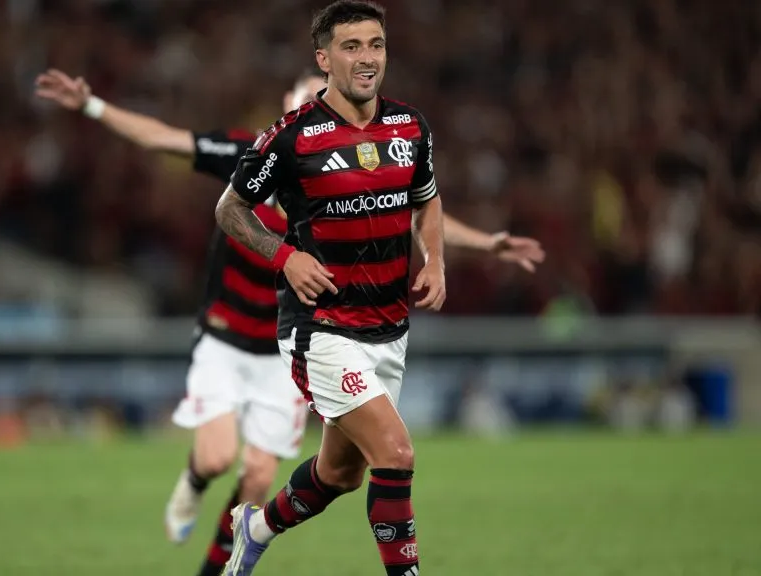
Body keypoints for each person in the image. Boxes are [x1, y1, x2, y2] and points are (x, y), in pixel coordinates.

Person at [35, 54, 543, 576]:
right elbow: (164, 139)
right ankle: (195, 484)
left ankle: (245, 539)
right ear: (288, 109)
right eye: (303, 100)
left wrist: (483, 245)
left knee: (324, 475)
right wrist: (93, 105)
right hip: (249, 334)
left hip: (313, 343)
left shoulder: (353, 160)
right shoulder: (251, 155)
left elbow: (416, 206)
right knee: (231, 458)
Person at [214, 1, 458, 574]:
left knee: (341, 474)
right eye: (351, 47)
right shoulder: (293, 137)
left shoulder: (410, 127)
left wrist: (438, 259)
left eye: (375, 45)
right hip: (320, 328)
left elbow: (427, 197)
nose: (367, 58)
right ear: (324, 59)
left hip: (389, 327)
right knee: (395, 455)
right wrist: (286, 255)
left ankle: (256, 527)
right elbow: (230, 208)